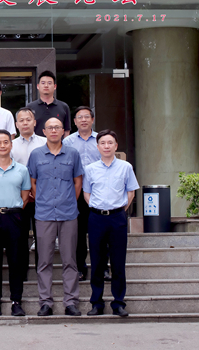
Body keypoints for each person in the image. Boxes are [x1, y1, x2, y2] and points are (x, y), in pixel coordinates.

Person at [27, 118, 83, 317]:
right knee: (44, 261)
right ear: (43, 131)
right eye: (50, 128)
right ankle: (45, 302)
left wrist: (69, 201)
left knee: (70, 260)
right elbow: (32, 182)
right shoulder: (36, 154)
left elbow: (78, 182)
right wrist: (43, 200)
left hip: (68, 214)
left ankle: (71, 302)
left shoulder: (73, 154)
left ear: (63, 131)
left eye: (57, 127)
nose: (53, 130)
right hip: (44, 214)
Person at [84, 130, 139, 317]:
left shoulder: (126, 167)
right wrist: (97, 208)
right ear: (98, 146)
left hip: (117, 218)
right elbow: (87, 193)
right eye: (103, 143)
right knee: (97, 262)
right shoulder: (90, 169)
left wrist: (120, 210)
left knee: (118, 262)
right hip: (96, 218)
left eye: (110, 143)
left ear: (116, 146)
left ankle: (118, 303)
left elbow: (131, 192)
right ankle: (96, 303)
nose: (106, 146)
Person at [0, 130, 31, 317]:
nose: (2, 145)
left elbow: (25, 196)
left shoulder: (22, 170)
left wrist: (13, 210)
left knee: (16, 260)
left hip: (15, 217)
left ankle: (16, 301)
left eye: (6, 142)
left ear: (11, 144)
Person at [63, 106, 101, 281]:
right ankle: (80, 267)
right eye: (80, 117)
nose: (83, 120)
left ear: (92, 120)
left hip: (98, 192)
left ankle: (102, 267)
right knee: (77, 232)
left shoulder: (101, 140)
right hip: (76, 192)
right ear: (75, 121)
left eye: (87, 116)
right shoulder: (68, 142)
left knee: (99, 232)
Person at [11, 107, 47, 278]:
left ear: (35, 122)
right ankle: (22, 271)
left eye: (28, 119)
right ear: (16, 124)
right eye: (21, 120)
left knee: (42, 236)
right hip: (20, 197)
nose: (25, 123)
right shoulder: (11, 145)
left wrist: (36, 190)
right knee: (20, 236)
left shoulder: (45, 142)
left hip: (42, 196)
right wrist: (25, 192)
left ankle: (42, 270)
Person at [26, 71, 71, 138]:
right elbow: (27, 130)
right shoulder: (30, 107)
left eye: (49, 83)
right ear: (38, 86)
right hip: (36, 144)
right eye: (43, 83)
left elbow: (67, 131)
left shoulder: (63, 107)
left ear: (55, 86)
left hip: (58, 144)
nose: (46, 86)